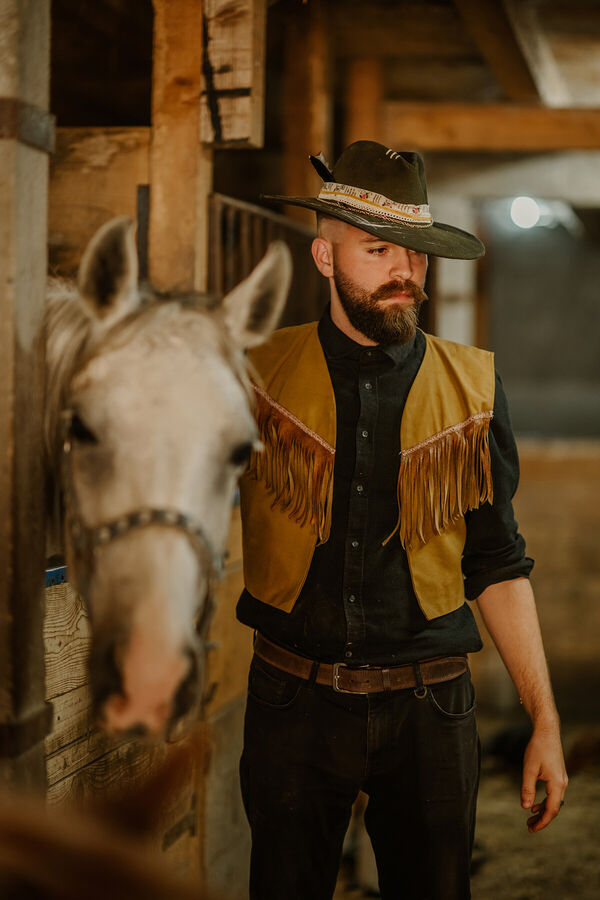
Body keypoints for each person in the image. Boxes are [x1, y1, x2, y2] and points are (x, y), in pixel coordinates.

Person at [236, 141, 567, 900]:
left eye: (414, 254)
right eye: (378, 250)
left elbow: (497, 561)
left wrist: (543, 719)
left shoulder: (474, 389)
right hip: (291, 701)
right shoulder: (255, 375)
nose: (404, 272)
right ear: (325, 256)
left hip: (432, 706)